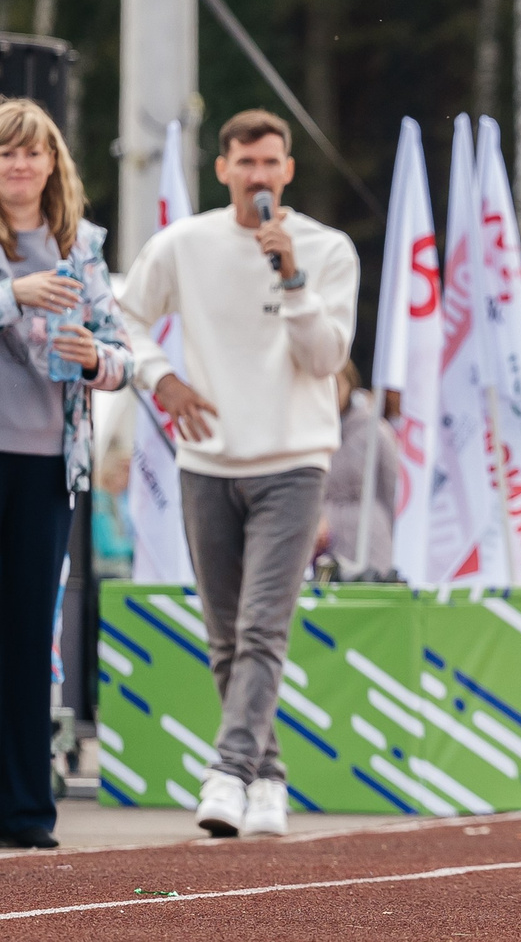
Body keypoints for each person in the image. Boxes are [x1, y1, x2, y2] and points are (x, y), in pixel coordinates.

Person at [120, 108, 360, 840]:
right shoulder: (183, 243)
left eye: (271, 163)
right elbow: (122, 316)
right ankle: (269, 777)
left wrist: (291, 277)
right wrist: (159, 377)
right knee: (226, 635)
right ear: (221, 168)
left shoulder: (326, 248)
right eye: (245, 163)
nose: (258, 175)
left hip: (293, 459)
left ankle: (228, 767)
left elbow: (326, 357)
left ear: (288, 169)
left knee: (261, 627)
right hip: (206, 459)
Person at [0, 97, 131, 848]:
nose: (21, 163)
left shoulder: (81, 247)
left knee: (25, 632)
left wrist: (96, 360)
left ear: (54, 164)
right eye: (5, 151)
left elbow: (122, 355)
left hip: (51, 467)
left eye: (34, 151)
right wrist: (10, 293)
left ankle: (24, 804)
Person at [317, 364, 403, 581]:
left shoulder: (376, 429)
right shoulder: (308, 433)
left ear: (350, 383)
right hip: (324, 540)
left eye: (336, 384)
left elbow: (391, 488)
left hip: (370, 536)